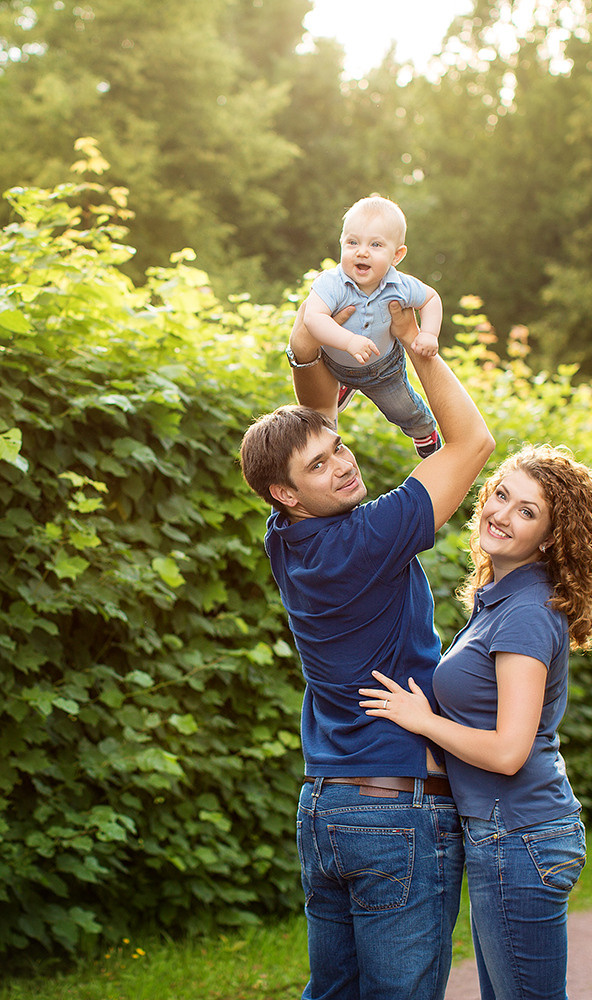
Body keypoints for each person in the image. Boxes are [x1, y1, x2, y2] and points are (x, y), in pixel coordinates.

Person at [240, 299, 494, 1000]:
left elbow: (313, 416)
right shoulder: (365, 539)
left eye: (339, 449)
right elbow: (471, 444)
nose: (342, 465)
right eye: (319, 467)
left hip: (326, 811)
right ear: (285, 492)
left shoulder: (286, 538)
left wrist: (310, 343)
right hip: (395, 813)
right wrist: (420, 354)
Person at [360, 444, 592, 1000]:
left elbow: (509, 751)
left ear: (551, 538)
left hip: (520, 835)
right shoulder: (503, 601)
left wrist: (423, 720)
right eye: (501, 495)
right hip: (509, 834)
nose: (501, 514)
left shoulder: (526, 613)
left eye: (528, 511)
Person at [299, 194, 445, 457]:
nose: (362, 251)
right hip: (334, 364)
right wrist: (348, 341)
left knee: (404, 410)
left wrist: (429, 334)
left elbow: (431, 298)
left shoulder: (400, 286)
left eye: (376, 245)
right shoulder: (330, 283)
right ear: (341, 242)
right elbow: (313, 318)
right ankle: (345, 387)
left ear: (397, 255)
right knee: (319, 416)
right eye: (353, 242)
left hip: (382, 370)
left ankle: (425, 431)